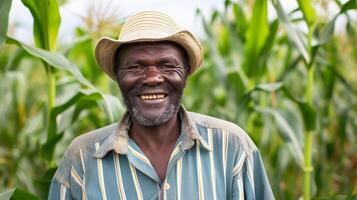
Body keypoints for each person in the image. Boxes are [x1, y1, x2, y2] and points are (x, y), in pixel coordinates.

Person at [49, 11, 274, 200]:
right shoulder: (82, 160)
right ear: (117, 76)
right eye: (136, 67)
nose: (153, 78)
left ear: (185, 73)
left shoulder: (232, 148)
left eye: (168, 66)